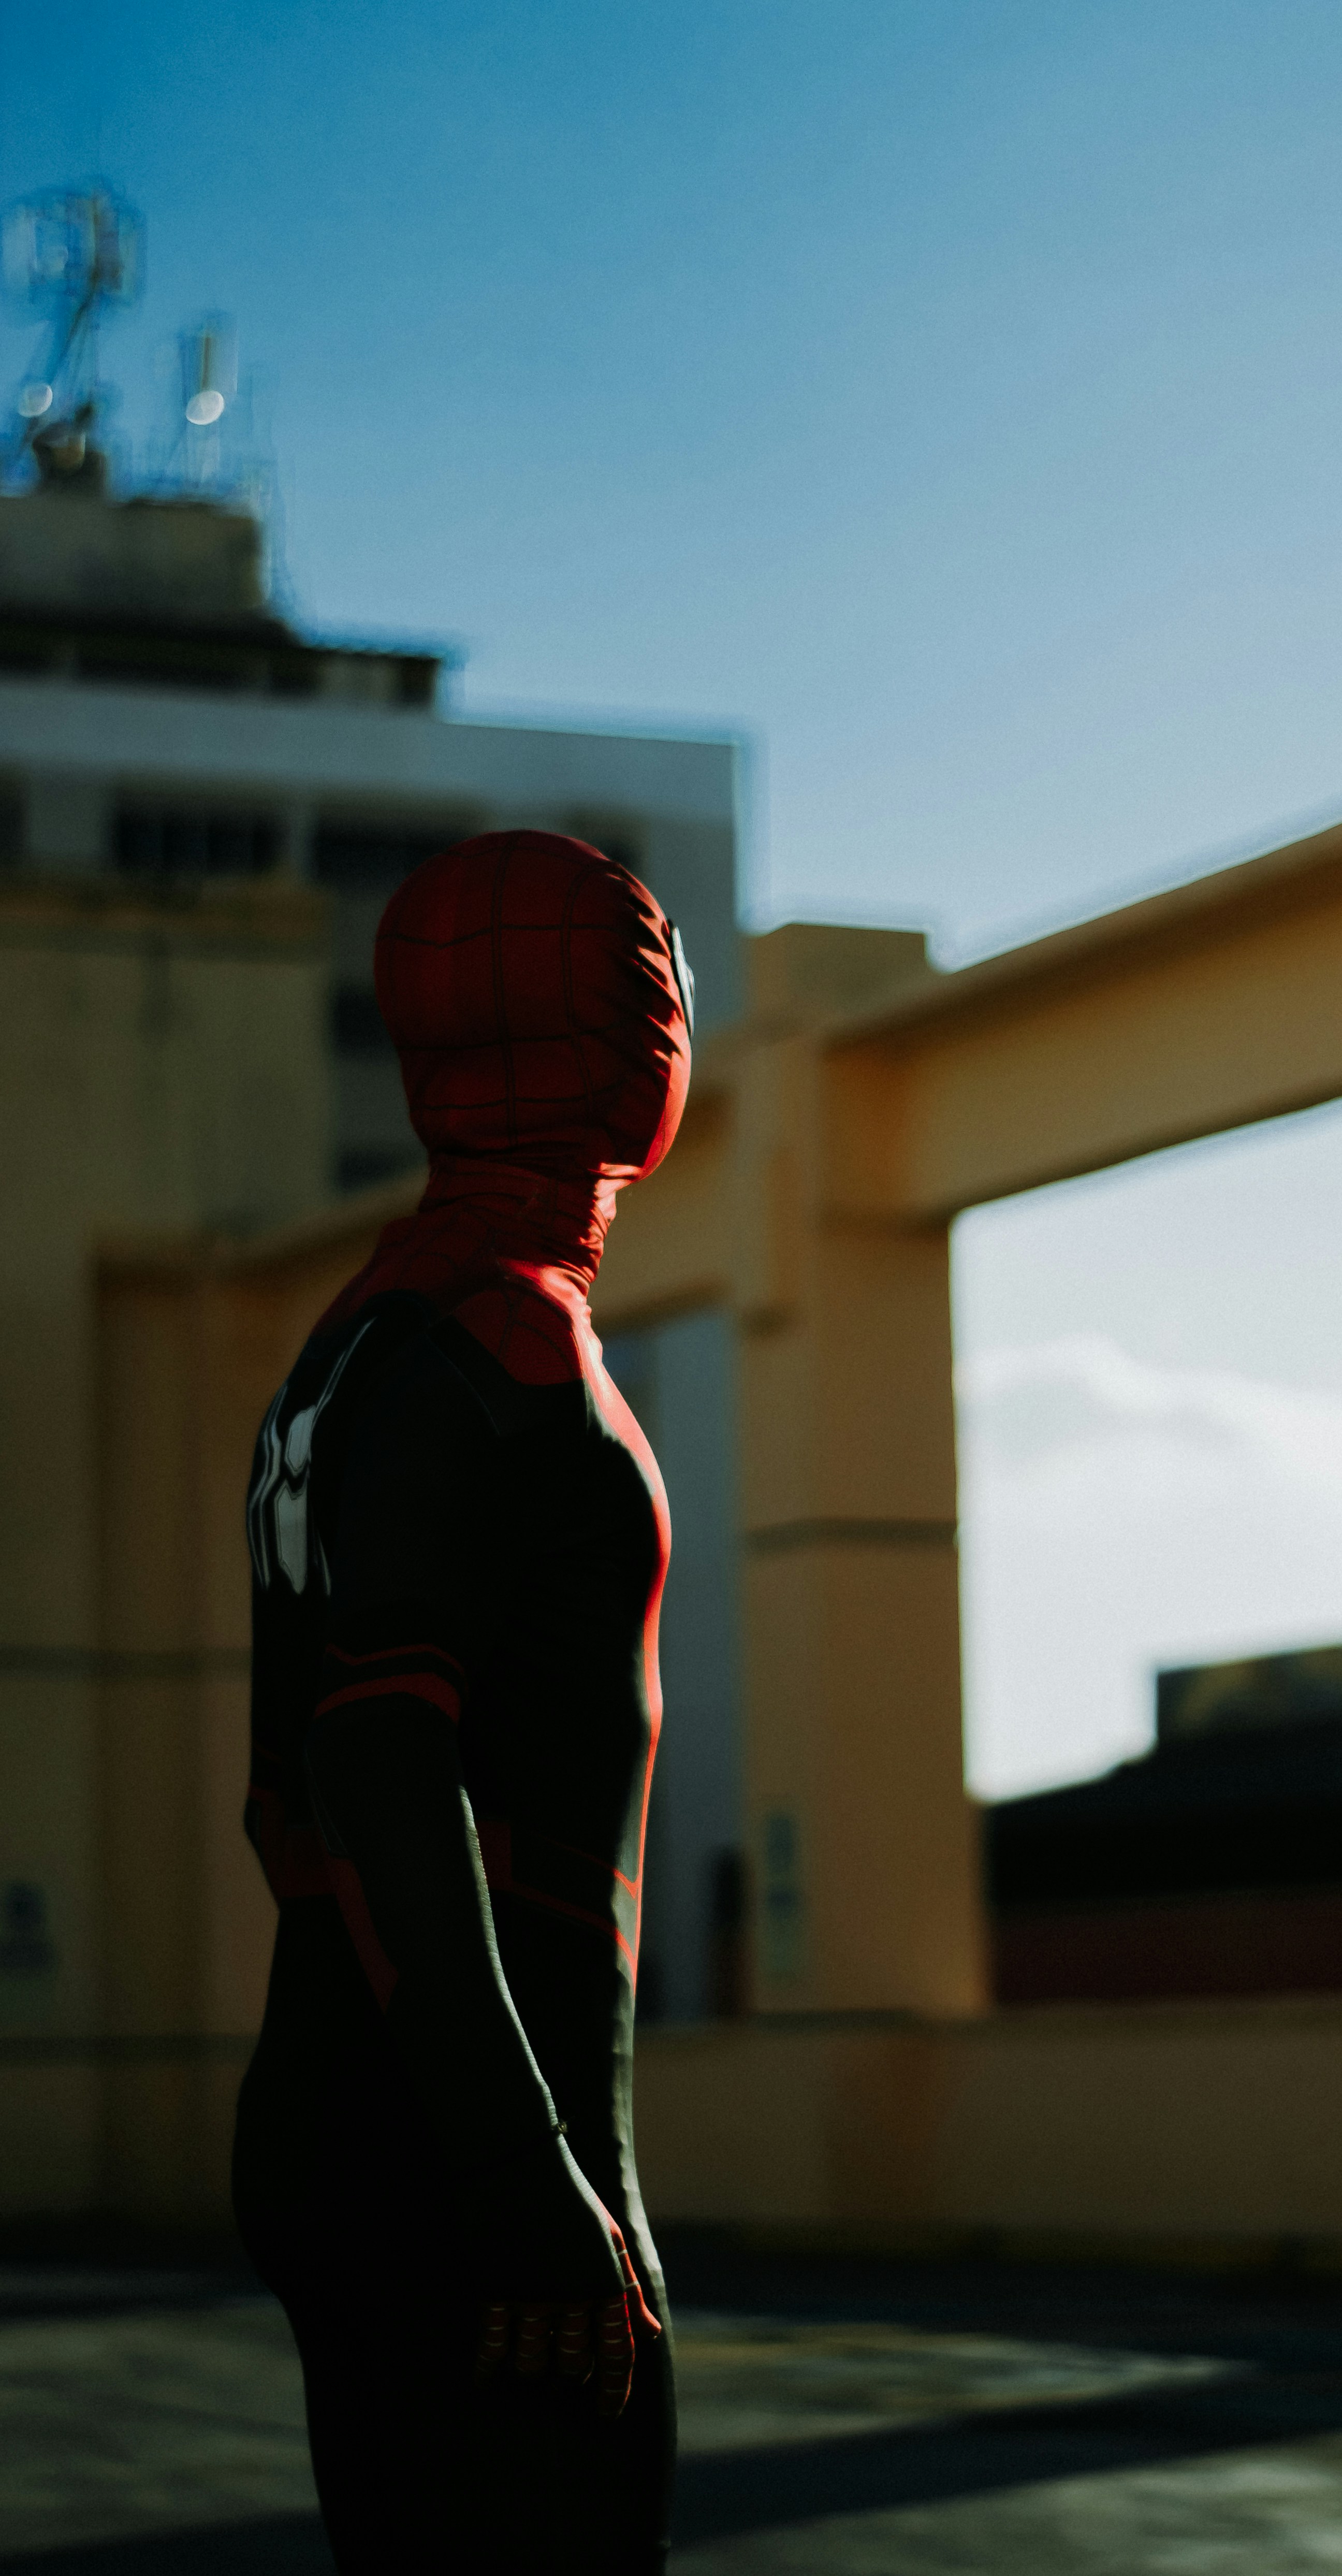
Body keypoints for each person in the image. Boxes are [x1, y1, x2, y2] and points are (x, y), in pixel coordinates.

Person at [232, 829, 693, 2572]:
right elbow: (377, 1761)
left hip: (340, 2104)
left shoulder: (348, 1346)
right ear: (627, 1045)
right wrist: (528, 2173)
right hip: (477, 2149)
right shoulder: (502, 1354)